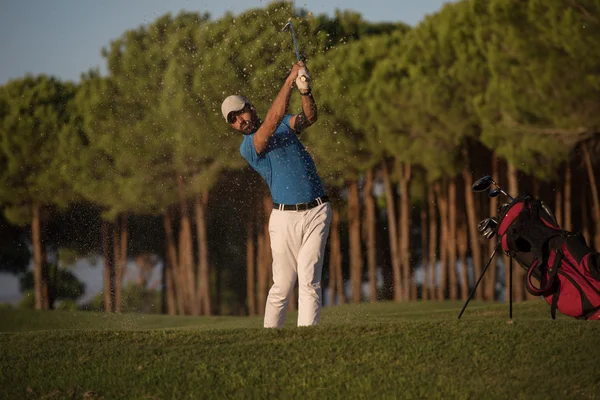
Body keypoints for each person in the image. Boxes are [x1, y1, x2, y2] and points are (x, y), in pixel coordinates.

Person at [221, 61, 332, 328]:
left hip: (318, 210)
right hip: (284, 221)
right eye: (233, 121)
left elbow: (309, 117)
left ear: (250, 108)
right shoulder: (249, 147)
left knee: (309, 280)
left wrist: (305, 90)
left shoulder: (285, 123)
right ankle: (270, 338)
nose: (239, 122)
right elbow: (271, 121)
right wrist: (290, 79)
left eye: (240, 114)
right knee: (282, 286)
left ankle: (307, 340)